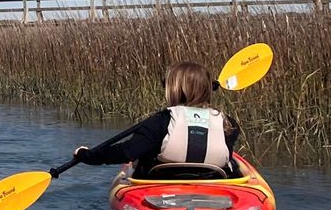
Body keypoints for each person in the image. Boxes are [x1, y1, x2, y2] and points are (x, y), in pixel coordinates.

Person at [72, 61, 241, 176]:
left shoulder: (161, 121)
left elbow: (126, 152)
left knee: (145, 156)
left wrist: (87, 155)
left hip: (162, 185)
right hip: (215, 184)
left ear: (174, 89)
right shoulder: (228, 123)